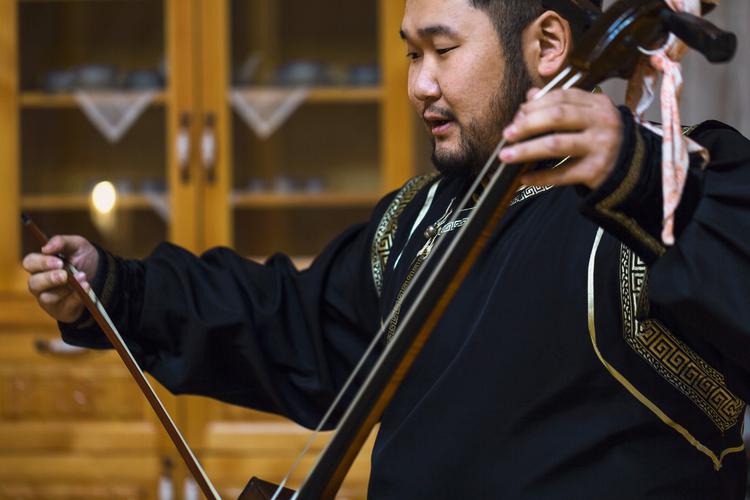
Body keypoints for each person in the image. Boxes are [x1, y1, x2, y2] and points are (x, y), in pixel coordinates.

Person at [22, 0, 750, 498]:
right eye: (410, 54)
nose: (419, 84)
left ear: (548, 46)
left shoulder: (679, 187)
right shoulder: (419, 215)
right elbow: (291, 320)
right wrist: (116, 287)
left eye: (443, 50)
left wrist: (640, 175)